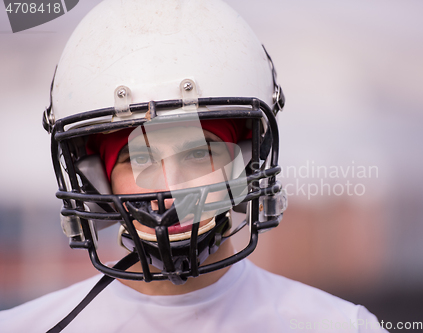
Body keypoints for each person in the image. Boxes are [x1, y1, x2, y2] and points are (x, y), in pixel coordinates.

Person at [0, 0, 388, 332]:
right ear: (98, 183)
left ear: (247, 161)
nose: (172, 189)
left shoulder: (339, 326)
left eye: (200, 153)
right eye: (140, 159)